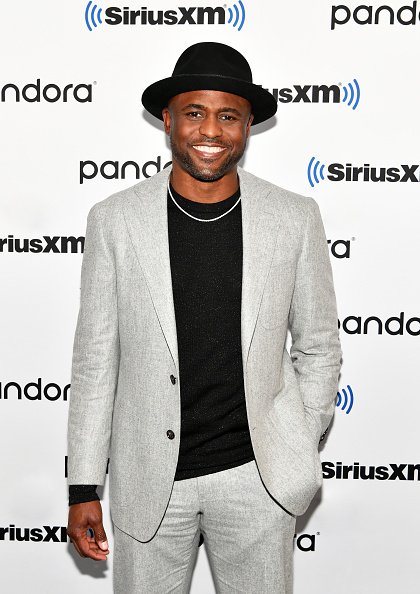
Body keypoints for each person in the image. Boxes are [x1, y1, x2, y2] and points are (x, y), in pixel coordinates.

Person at [67, 42, 342, 593]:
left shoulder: (294, 218)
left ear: (248, 126)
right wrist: (83, 487)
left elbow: (318, 347)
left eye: (228, 116)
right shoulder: (114, 221)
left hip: (256, 479)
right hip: (149, 481)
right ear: (167, 120)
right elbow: (97, 362)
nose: (210, 131)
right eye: (194, 113)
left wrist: (294, 434)